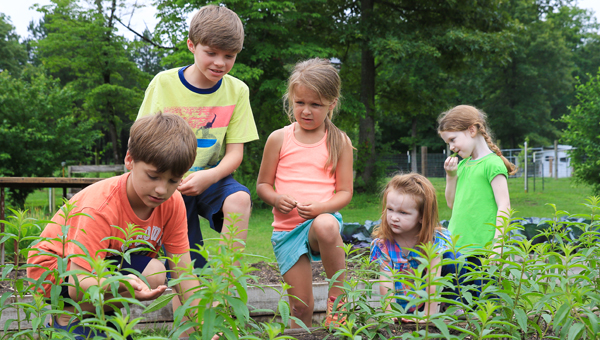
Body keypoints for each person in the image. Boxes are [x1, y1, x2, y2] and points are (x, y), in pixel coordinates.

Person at [27, 113, 202, 339]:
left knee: (157, 273)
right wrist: (117, 283)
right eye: (153, 176)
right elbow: (77, 284)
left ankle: (96, 313)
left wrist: (203, 323)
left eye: (173, 180)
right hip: (56, 271)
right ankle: (67, 313)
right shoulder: (100, 207)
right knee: (147, 274)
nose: (162, 189)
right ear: (129, 160)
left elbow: (183, 270)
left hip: (103, 268)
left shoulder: (172, 202)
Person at [137, 5, 259, 270]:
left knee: (240, 198)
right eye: (211, 53)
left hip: (210, 176)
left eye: (229, 56)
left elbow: (235, 154)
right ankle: (188, 290)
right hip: (170, 181)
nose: (220, 62)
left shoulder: (237, 90)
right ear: (192, 45)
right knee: (189, 268)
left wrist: (209, 176)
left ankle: (227, 283)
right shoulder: (164, 83)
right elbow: (140, 143)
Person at [256, 58, 354, 328]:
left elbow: (345, 192)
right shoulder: (279, 138)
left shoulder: (339, 141)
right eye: (300, 103)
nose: (306, 111)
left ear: (331, 104)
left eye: (316, 105)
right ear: (292, 99)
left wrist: (322, 208)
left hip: (319, 223)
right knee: (300, 306)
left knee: (325, 224)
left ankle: (338, 295)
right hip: (287, 231)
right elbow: (263, 185)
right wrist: (276, 198)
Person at [370, 173, 471, 321]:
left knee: (454, 259)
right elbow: (386, 283)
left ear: (422, 216)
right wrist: (390, 315)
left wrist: (427, 316)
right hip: (404, 298)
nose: (394, 217)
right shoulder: (384, 244)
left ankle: (453, 303)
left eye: (403, 212)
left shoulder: (432, 242)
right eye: (390, 209)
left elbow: (433, 282)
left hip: (426, 295)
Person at [437, 105, 515, 251]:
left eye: (453, 140)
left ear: (472, 130)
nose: (452, 147)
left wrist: (498, 245)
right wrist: (451, 175)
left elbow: (504, 206)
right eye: (448, 143)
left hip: (483, 248)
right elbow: (451, 203)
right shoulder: (462, 166)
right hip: (457, 247)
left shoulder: (492, 164)